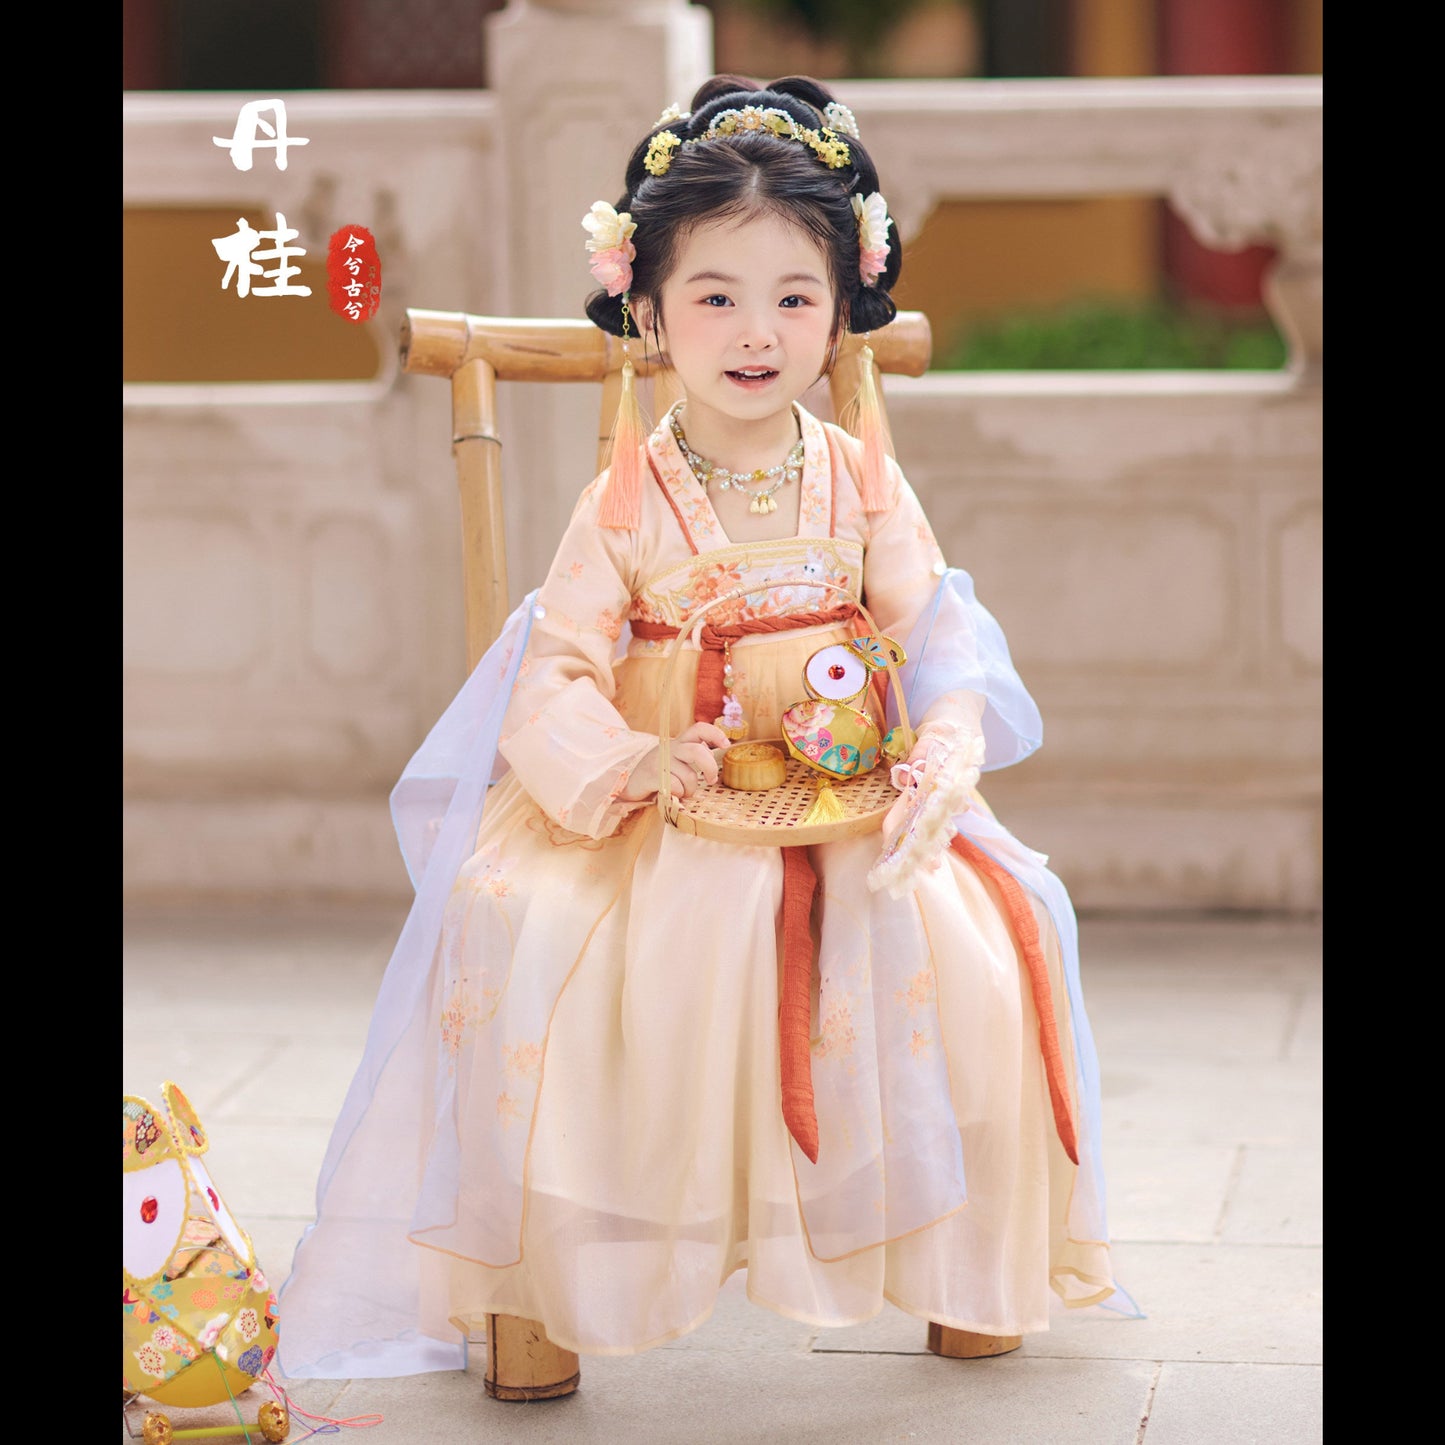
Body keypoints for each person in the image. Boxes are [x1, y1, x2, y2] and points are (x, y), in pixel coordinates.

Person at [277, 74, 1123, 1390]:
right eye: (713, 296)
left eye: (794, 297)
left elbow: (938, 630)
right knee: (541, 922)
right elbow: (553, 674)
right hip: (664, 801)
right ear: (649, 311)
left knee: (979, 923)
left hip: (846, 786)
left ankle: (965, 1268)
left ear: (843, 307)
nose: (754, 331)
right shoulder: (624, 498)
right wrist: (628, 760)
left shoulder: (856, 473)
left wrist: (943, 745)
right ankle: (552, 1294)